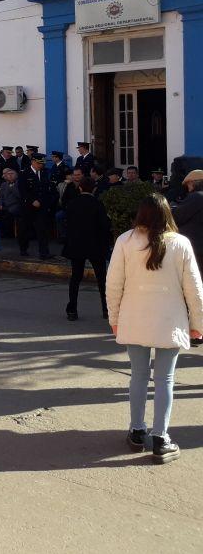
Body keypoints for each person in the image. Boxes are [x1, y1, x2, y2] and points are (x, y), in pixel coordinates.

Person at [106, 194, 203, 464]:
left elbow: (113, 283)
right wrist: (198, 324)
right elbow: (194, 290)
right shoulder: (180, 243)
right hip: (169, 321)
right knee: (165, 379)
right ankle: (161, 438)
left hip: (134, 319)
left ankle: (137, 431)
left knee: (138, 376)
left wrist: (114, 317)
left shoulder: (125, 241)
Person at [63, 178, 112, 321]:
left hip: (77, 245)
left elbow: (66, 223)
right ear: (94, 189)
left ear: (80, 188)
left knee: (75, 277)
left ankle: (72, 309)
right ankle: (106, 309)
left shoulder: (72, 203)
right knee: (102, 279)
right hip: (95, 246)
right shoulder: (98, 204)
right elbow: (105, 225)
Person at [19, 154, 56, 260]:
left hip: (41, 206)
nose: (41, 165)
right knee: (25, 228)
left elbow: (45, 189)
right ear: (33, 162)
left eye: (42, 163)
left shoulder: (44, 173)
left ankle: (44, 252)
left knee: (42, 229)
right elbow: (22, 190)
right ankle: (23, 249)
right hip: (28, 206)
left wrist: (44, 202)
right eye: (39, 163)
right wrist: (32, 201)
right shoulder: (24, 173)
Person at [172, 170, 203, 268]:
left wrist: (172, 209)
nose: (188, 187)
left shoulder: (196, 197)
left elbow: (177, 217)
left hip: (196, 248)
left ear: (194, 183)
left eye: (188, 184)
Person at [0, 168, 22, 238]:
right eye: (8, 174)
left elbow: (20, 196)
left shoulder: (19, 184)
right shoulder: (4, 184)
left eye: (12, 174)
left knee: (8, 214)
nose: (10, 176)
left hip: (15, 205)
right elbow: (0, 197)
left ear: (16, 175)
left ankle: (8, 234)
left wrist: (12, 187)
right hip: (5, 205)